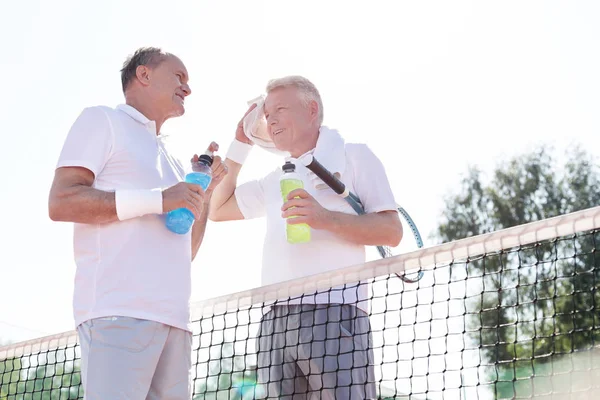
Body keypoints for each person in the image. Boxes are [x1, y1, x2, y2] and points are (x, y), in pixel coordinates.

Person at [48, 47, 227, 400]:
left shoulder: (175, 162)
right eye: (179, 76)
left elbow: (184, 251)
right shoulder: (102, 120)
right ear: (143, 75)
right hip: (117, 315)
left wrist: (203, 197)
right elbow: (61, 201)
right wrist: (161, 199)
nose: (187, 88)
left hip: (176, 324)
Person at [209, 76, 403, 399]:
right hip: (275, 322)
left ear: (311, 110)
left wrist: (324, 218)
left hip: (335, 311)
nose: (270, 120)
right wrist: (240, 143)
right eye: (267, 114)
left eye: (280, 109)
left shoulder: (355, 156)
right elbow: (217, 208)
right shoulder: (275, 178)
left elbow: (391, 231)